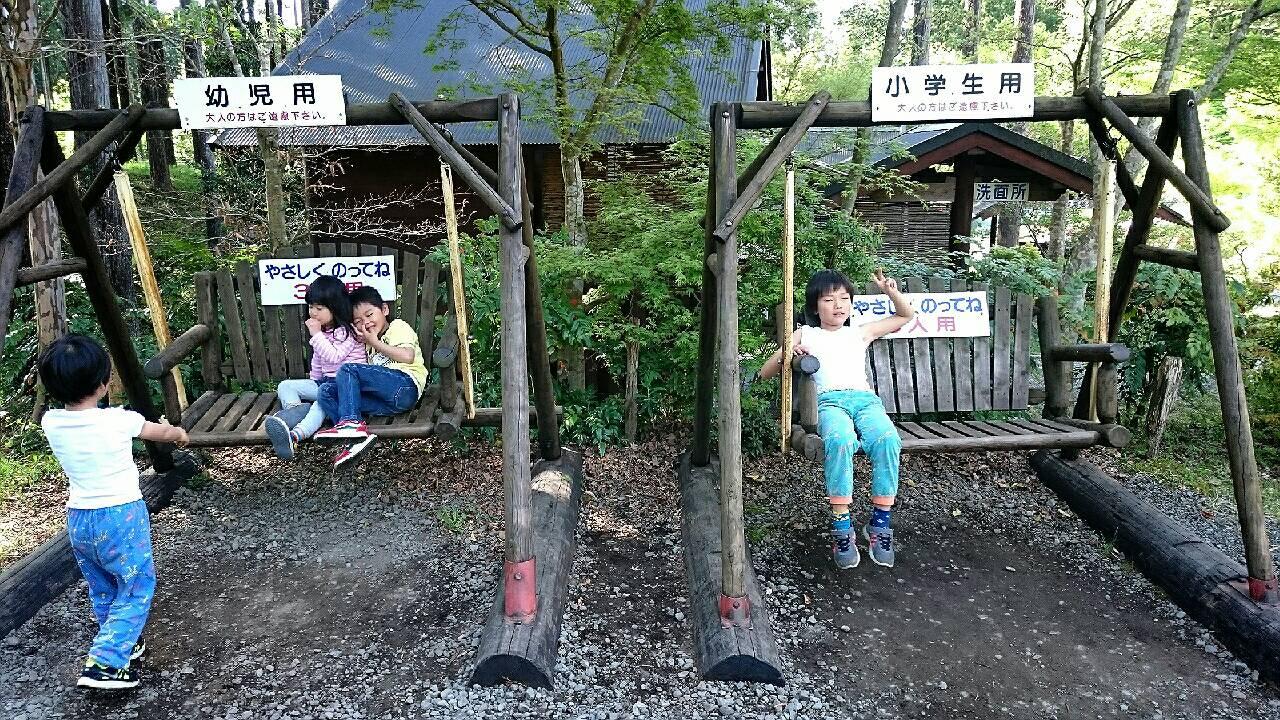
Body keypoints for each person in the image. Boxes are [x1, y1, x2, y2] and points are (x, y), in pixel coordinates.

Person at [38, 334, 189, 690]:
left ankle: (123, 641)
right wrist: (178, 434)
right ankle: (105, 663)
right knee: (135, 585)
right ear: (103, 384)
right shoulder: (120, 420)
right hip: (121, 516)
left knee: (104, 585)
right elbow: (157, 431)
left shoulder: (51, 422)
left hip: (80, 519)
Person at [758, 268, 914, 569]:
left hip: (865, 401)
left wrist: (891, 291)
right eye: (829, 300)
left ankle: (880, 523)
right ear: (815, 306)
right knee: (839, 440)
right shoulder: (806, 333)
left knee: (887, 439)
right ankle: (842, 526)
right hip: (829, 402)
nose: (838, 305)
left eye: (844, 298)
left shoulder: (860, 331)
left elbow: (905, 315)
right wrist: (790, 353)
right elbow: (766, 371)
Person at [315, 286, 427, 467]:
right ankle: (355, 441)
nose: (365, 323)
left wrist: (374, 342)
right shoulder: (367, 342)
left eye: (369, 315)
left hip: (405, 387)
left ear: (384, 309)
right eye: (358, 321)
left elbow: (408, 356)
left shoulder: (397, 327)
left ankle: (350, 423)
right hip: (387, 403)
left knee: (348, 369)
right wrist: (367, 341)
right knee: (326, 391)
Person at [263, 276, 364, 460]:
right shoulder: (323, 332)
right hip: (324, 382)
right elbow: (318, 361)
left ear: (335, 307)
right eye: (311, 307)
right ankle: (296, 411)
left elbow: (334, 357)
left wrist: (316, 334)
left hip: (345, 388)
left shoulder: (349, 333)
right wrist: (313, 380)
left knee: (320, 404)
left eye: (319, 308)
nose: (313, 313)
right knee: (285, 385)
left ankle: (295, 436)